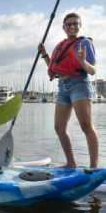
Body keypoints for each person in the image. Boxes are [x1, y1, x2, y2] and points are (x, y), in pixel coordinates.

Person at [38, 13, 99, 168]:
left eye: (75, 23)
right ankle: (71, 163)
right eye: (68, 24)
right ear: (64, 27)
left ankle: (94, 167)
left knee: (86, 126)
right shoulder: (59, 46)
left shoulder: (84, 43)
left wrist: (82, 61)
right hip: (63, 87)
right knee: (59, 128)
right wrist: (44, 53)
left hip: (79, 84)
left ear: (80, 25)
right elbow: (54, 67)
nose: (72, 26)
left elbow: (92, 71)